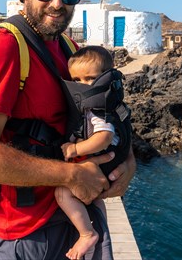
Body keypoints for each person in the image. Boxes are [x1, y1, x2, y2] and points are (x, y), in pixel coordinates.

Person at [0, 0, 136, 260]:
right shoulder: (3, 47)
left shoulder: (69, 49)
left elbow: (103, 108)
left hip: (73, 221)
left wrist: (128, 162)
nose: (57, 3)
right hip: (21, 236)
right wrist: (70, 175)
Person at [56, 46, 129, 260]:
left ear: (105, 78)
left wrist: (75, 148)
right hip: (112, 160)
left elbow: (104, 137)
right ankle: (98, 226)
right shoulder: (110, 102)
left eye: (90, 79)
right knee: (95, 202)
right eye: (76, 80)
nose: (83, 86)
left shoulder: (98, 108)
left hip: (105, 163)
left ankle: (87, 233)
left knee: (62, 192)